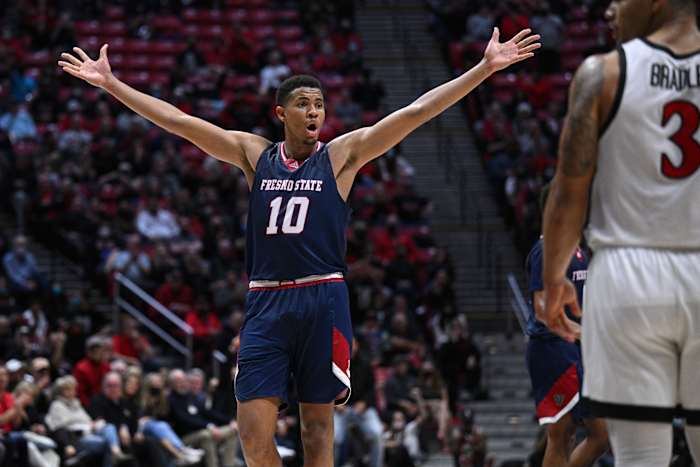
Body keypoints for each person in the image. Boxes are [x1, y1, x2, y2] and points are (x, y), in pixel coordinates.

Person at [58, 27, 540, 466]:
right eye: (305, 104)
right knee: (252, 432)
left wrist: (482, 69)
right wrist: (113, 85)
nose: (315, 112)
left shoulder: (341, 156)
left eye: (320, 104)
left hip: (322, 296)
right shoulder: (254, 155)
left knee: (317, 430)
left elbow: (414, 113)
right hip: (265, 300)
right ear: (281, 113)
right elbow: (181, 122)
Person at [541, 0, 700, 465]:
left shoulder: (601, 74)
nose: (609, 10)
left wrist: (554, 281)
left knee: (639, 458)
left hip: (629, 276)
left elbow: (569, 193)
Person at [525, 185, 608, 467]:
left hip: (578, 349)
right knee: (561, 434)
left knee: (601, 436)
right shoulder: (545, 249)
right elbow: (541, 308)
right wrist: (579, 330)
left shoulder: (579, 250)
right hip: (552, 348)